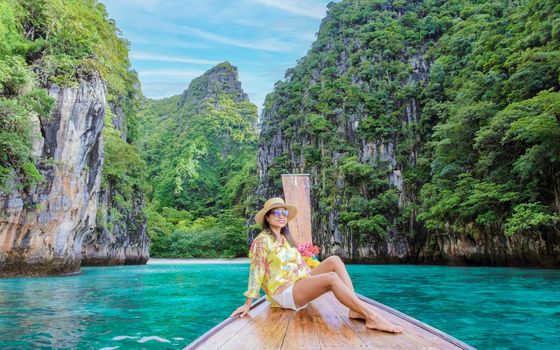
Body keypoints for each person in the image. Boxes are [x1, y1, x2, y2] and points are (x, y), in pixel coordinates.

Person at [230, 197, 403, 333]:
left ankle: (355, 309)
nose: (282, 216)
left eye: (284, 213)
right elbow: (256, 271)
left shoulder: (286, 239)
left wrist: (314, 276)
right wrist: (248, 303)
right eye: (277, 212)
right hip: (283, 292)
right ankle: (371, 316)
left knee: (334, 260)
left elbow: (301, 266)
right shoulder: (262, 241)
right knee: (331, 279)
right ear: (267, 217)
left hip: (298, 282)